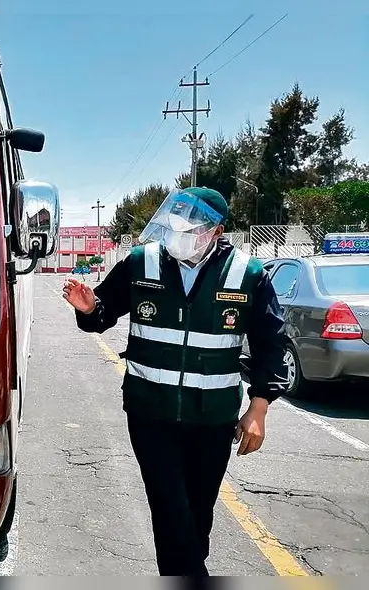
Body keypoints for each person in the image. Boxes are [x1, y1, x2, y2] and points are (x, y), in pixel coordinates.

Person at [61, 186, 288, 577]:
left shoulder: (247, 275)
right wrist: (89, 307)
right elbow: (101, 313)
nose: (181, 232)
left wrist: (259, 408)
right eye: (176, 222)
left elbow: (272, 344)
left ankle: (187, 566)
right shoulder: (140, 263)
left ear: (216, 232)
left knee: (197, 512)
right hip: (151, 413)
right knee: (169, 506)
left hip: (213, 419)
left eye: (193, 226)